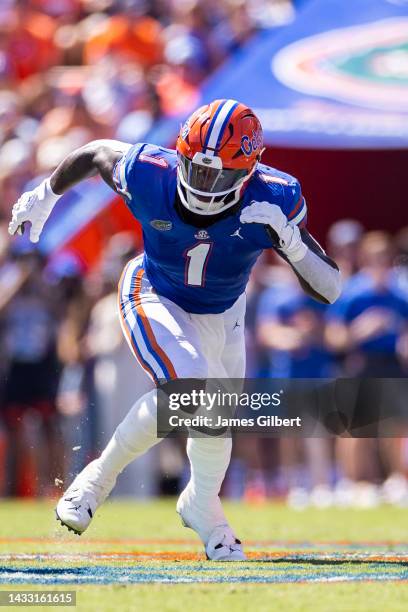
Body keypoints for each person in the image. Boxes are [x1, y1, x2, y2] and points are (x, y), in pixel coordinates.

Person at [8, 99, 341, 561]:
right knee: (194, 391)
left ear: (247, 172)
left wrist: (291, 242)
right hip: (155, 292)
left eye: (218, 175)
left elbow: (330, 288)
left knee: (214, 420)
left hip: (225, 314)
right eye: (197, 169)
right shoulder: (150, 172)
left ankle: (202, 504)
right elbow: (94, 152)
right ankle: (98, 479)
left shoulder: (276, 196)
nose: (204, 183)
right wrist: (47, 193)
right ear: (180, 154)